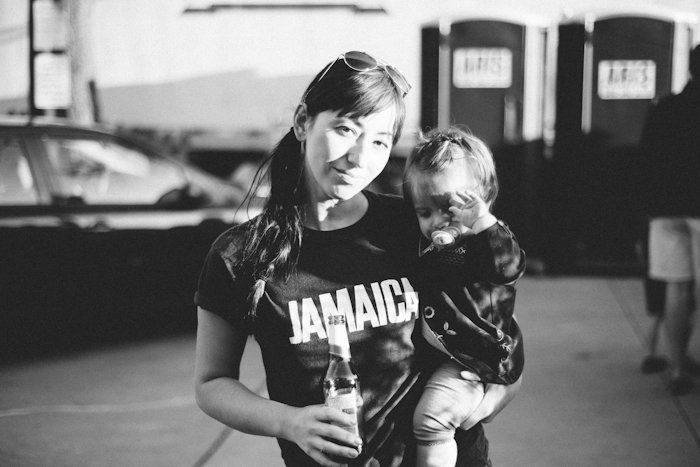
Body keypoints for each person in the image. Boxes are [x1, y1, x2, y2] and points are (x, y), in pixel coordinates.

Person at [193, 51, 521, 467]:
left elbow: (495, 323)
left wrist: (494, 394)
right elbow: (212, 383)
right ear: (302, 122)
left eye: (380, 141)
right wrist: (290, 423)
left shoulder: (415, 227)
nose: (360, 157)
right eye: (346, 129)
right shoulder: (241, 254)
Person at [402, 127, 525, 467]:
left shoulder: (484, 246)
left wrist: (483, 222)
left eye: (449, 208)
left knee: (432, 420)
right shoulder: (426, 246)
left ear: (482, 198)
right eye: (424, 212)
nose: (435, 221)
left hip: (472, 360)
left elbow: (510, 267)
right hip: (443, 352)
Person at [638, 44, 700, 395]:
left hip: (664, 211)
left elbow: (645, 160)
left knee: (677, 290)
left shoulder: (663, 107)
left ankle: (678, 368)